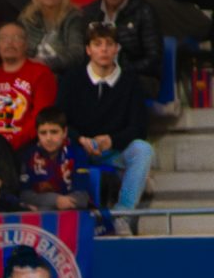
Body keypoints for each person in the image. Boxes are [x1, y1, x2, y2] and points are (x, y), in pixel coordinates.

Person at [57, 20, 154, 235]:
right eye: (98, 44)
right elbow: (60, 121)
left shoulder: (130, 82)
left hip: (113, 150)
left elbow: (139, 128)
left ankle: (122, 215)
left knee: (143, 150)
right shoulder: (72, 79)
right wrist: (80, 139)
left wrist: (111, 140)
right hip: (78, 148)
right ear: (88, 49)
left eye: (109, 44)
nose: (104, 49)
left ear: (117, 48)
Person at [83, 0, 163, 98]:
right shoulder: (90, 13)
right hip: (97, 76)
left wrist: (117, 71)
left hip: (137, 77)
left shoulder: (144, 12)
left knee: (115, 85)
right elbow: (84, 54)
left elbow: (153, 59)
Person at [0, 20, 58, 151]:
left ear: (26, 44)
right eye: (4, 38)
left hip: (26, 148)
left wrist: (10, 145)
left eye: (16, 38)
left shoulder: (41, 74)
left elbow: (41, 118)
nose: (9, 43)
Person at [19, 105, 90, 210]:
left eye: (54, 132)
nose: (49, 138)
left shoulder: (78, 153)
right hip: (40, 212)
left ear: (65, 132)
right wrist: (55, 200)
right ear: (37, 133)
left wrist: (63, 203)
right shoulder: (28, 155)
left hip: (71, 212)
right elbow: (24, 195)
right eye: (43, 133)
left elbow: (82, 197)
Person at [19, 0, 85, 74]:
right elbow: (19, 50)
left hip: (62, 75)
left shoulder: (73, 18)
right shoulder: (27, 18)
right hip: (30, 74)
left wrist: (46, 63)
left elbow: (76, 53)